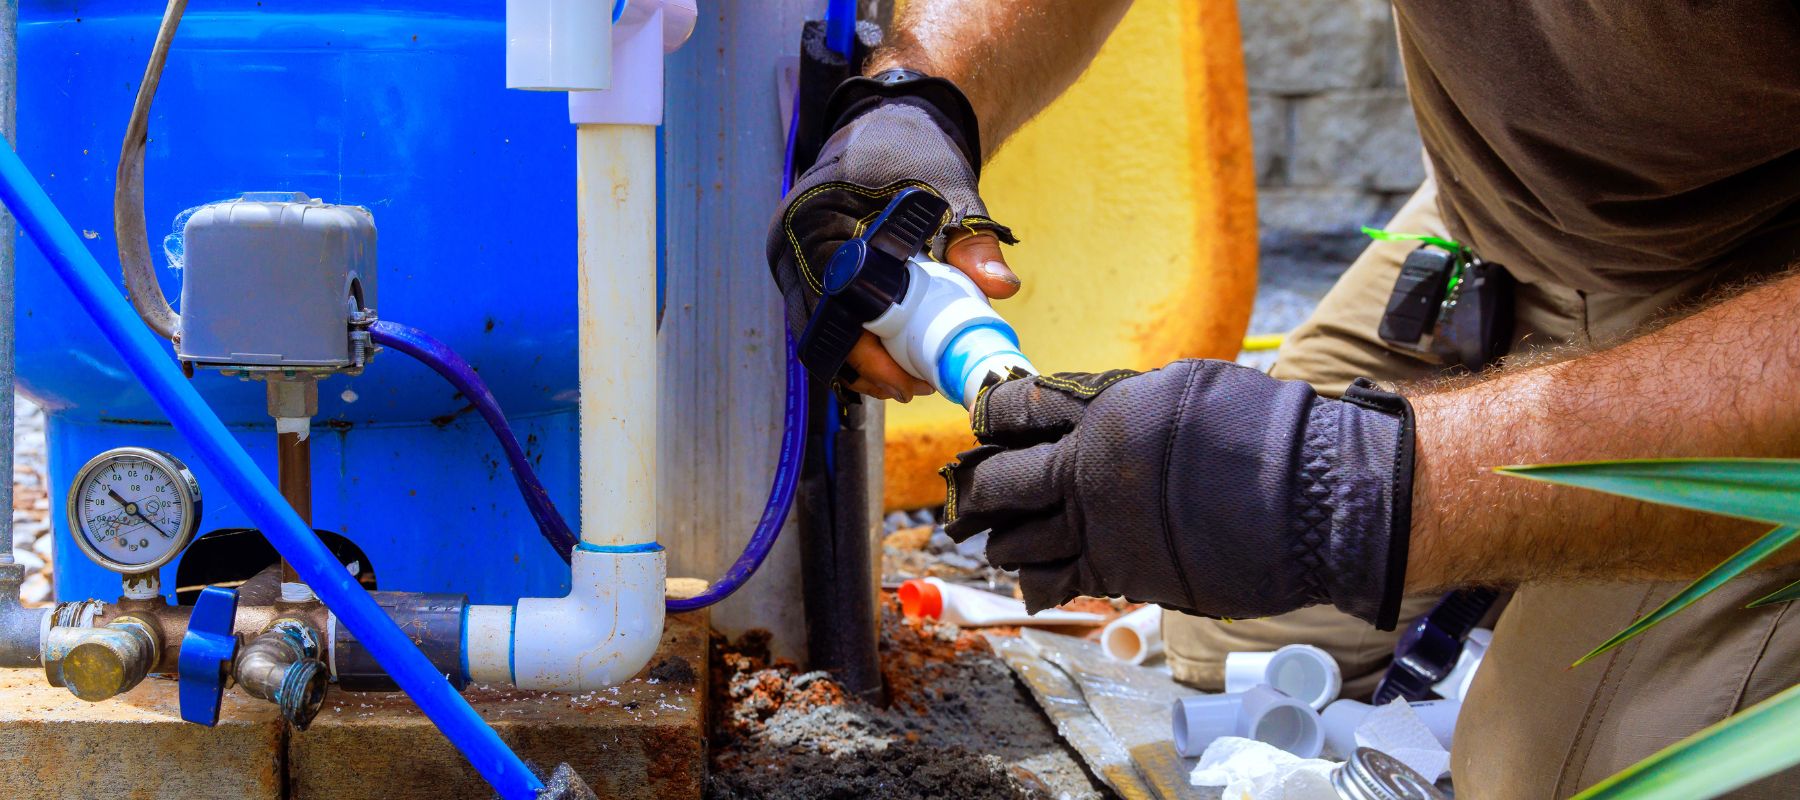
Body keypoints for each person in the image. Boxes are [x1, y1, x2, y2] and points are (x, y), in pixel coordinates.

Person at [765, 2, 1800, 796]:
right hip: (1514, 231)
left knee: (1559, 767)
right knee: (1224, 630)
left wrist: (1360, 487)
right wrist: (919, 95)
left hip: (1759, 301)